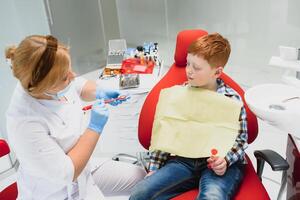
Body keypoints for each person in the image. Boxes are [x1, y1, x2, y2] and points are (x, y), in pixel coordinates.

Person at [5, 35, 146, 200]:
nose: (73, 75)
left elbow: (79, 85)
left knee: (142, 179)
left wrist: (100, 91)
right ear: (43, 85)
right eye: (65, 77)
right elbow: (68, 172)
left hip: (84, 173)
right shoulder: (25, 124)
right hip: (55, 191)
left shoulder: (43, 79)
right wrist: (94, 127)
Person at [129, 33, 248, 200]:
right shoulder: (178, 95)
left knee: (212, 197)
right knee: (139, 194)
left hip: (218, 164)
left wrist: (225, 161)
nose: (189, 71)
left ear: (217, 72)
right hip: (184, 160)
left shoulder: (231, 100)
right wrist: (155, 169)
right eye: (187, 64)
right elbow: (165, 134)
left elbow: (241, 139)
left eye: (197, 68)